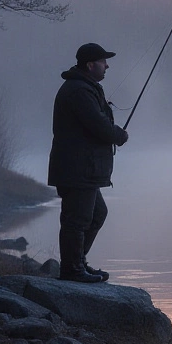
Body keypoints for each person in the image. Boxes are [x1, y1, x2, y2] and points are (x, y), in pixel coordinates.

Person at [48, 43, 129, 283]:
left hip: (85, 168)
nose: (107, 66)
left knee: (96, 215)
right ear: (90, 65)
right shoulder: (78, 91)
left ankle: (77, 263)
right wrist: (119, 135)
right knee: (78, 219)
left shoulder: (86, 88)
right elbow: (98, 124)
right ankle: (72, 270)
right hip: (77, 168)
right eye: (104, 62)